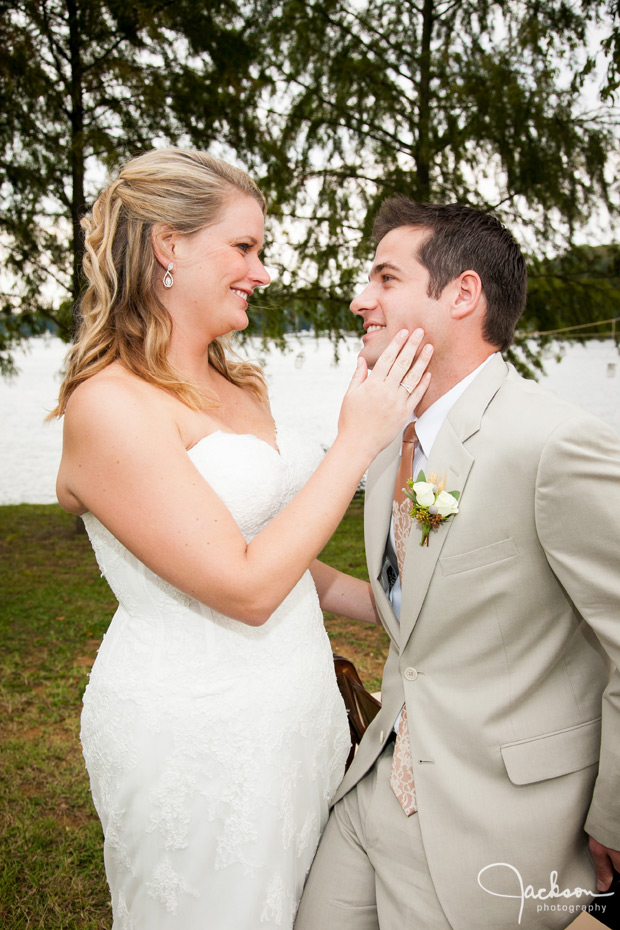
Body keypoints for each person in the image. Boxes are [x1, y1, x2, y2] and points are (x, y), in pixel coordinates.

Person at [51, 150, 433, 930]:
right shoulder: (111, 407)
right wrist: (356, 445)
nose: (261, 272)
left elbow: (283, 558)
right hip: (196, 732)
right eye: (244, 247)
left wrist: (404, 607)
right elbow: (247, 585)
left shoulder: (240, 385)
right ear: (169, 246)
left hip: (295, 712)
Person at [295, 197, 620, 930]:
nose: (359, 299)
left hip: (497, 819)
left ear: (462, 294)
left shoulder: (554, 443)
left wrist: (615, 817)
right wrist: (288, 572)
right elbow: (418, 608)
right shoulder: (388, 439)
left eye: (384, 278)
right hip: (374, 783)